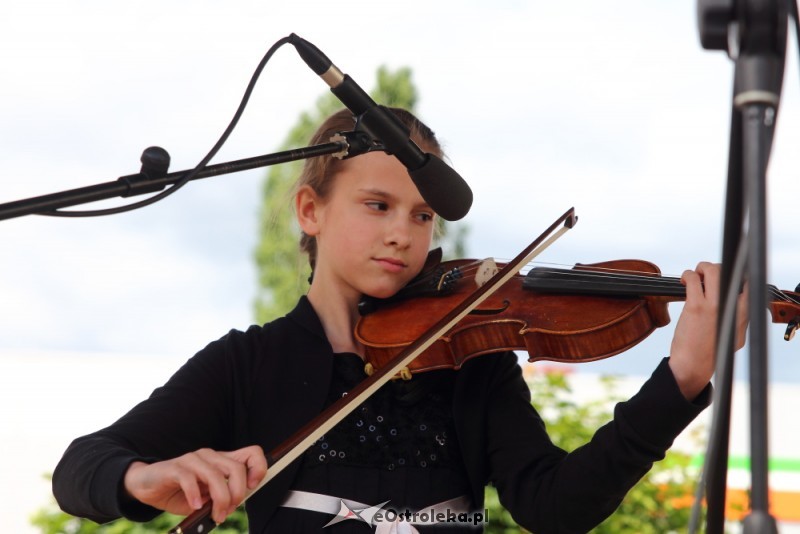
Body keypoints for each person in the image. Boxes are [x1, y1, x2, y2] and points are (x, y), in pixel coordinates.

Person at [52, 107, 748, 533]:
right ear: (310, 211)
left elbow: (554, 506)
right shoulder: (248, 364)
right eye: (377, 205)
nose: (403, 234)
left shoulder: (471, 358)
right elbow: (80, 469)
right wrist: (137, 479)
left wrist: (680, 381)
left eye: (421, 215)